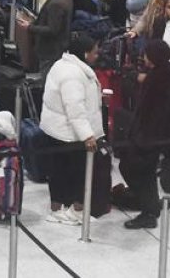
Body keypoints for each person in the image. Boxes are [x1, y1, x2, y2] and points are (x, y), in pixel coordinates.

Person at [40, 33, 105, 225]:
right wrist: (87, 135)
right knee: (76, 173)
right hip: (69, 134)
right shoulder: (73, 75)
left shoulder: (62, 65)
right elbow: (75, 108)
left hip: (58, 130)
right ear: (84, 54)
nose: (97, 55)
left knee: (58, 171)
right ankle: (75, 210)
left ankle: (58, 208)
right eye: (94, 52)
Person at [118, 40, 170, 229]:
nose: (143, 57)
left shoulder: (158, 80)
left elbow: (152, 111)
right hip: (151, 136)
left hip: (148, 137)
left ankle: (149, 211)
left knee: (134, 169)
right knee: (145, 172)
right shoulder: (165, 73)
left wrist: (142, 137)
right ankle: (150, 202)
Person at [25, 0, 73, 70]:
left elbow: (52, 30)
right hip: (58, 49)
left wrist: (30, 27)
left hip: (51, 52)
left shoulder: (56, 3)